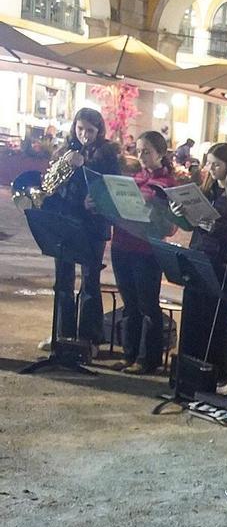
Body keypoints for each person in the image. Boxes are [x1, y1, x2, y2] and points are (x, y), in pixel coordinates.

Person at [40, 106, 122, 354]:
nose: (84, 134)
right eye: (80, 129)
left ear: (99, 131)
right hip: (65, 222)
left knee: (90, 281)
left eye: (90, 130)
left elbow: (112, 187)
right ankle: (62, 334)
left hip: (92, 226)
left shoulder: (107, 155)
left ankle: (89, 338)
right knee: (63, 281)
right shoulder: (65, 151)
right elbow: (52, 187)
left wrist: (95, 200)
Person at [177, 142, 227, 394]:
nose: (210, 169)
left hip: (220, 262)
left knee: (218, 321)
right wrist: (180, 212)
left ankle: (220, 372)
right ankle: (191, 370)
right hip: (198, 256)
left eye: (216, 164)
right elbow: (192, 224)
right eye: (209, 163)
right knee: (193, 315)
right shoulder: (207, 191)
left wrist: (216, 228)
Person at [109, 130, 178, 374]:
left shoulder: (167, 185)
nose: (141, 156)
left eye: (147, 151)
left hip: (146, 251)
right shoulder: (134, 178)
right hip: (122, 245)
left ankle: (148, 359)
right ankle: (129, 354)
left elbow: (169, 226)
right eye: (138, 151)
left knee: (147, 306)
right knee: (129, 304)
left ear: (161, 153)